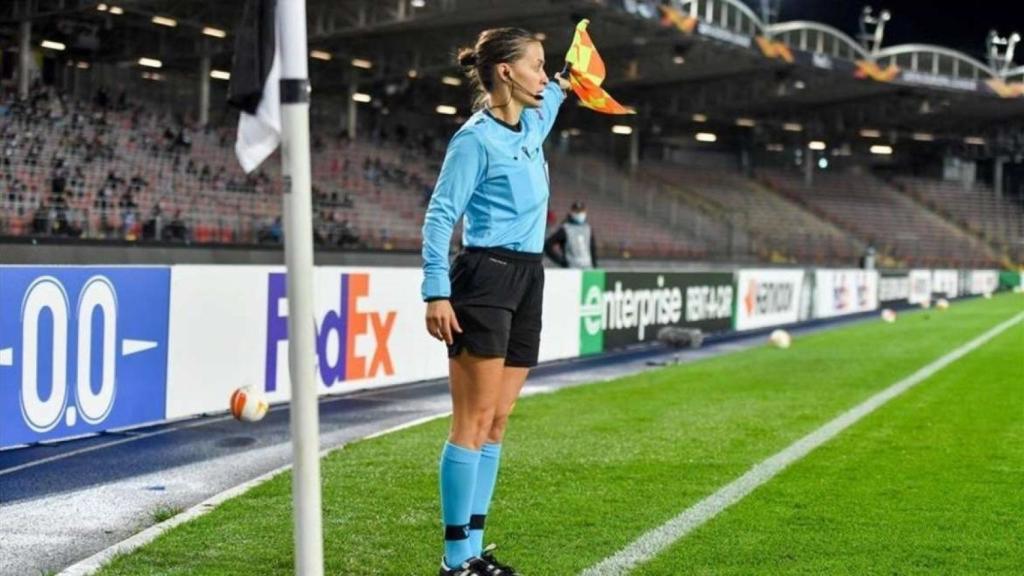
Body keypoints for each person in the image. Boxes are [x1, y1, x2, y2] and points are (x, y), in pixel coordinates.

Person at [421, 27, 571, 576]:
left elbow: (565, 85)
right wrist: (436, 290)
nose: (543, 74)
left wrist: (575, 67)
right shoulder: (474, 139)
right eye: (535, 65)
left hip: (529, 277)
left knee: (500, 420)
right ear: (506, 72)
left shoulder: (534, 118)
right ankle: (454, 557)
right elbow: (440, 217)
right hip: (486, 278)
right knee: (473, 419)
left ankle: (474, 550)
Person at [544, 200, 598, 268]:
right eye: (577, 212)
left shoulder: (588, 229)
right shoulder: (565, 229)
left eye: (581, 211)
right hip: (571, 270)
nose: (579, 214)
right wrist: (561, 261)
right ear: (572, 212)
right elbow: (547, 245)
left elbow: (592, 249)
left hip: (588, 269)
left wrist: (595, 266)